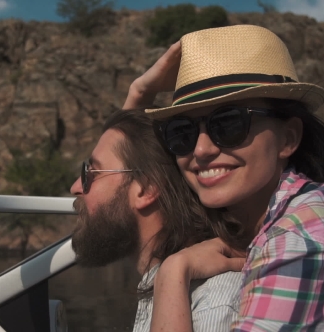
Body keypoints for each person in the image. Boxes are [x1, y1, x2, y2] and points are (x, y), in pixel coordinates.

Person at [124, 25, 324, 331]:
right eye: (180, 132)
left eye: (229, 123)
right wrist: (140, 93)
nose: (201, 149)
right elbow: (115, 179)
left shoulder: (301, 243)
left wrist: (172, 274)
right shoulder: (273, 207)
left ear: (288, 138)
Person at [70, 109, 245, 331]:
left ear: (146, 188)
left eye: (91, 173)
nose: (76, 187)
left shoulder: (212, 304)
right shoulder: (161, 288)